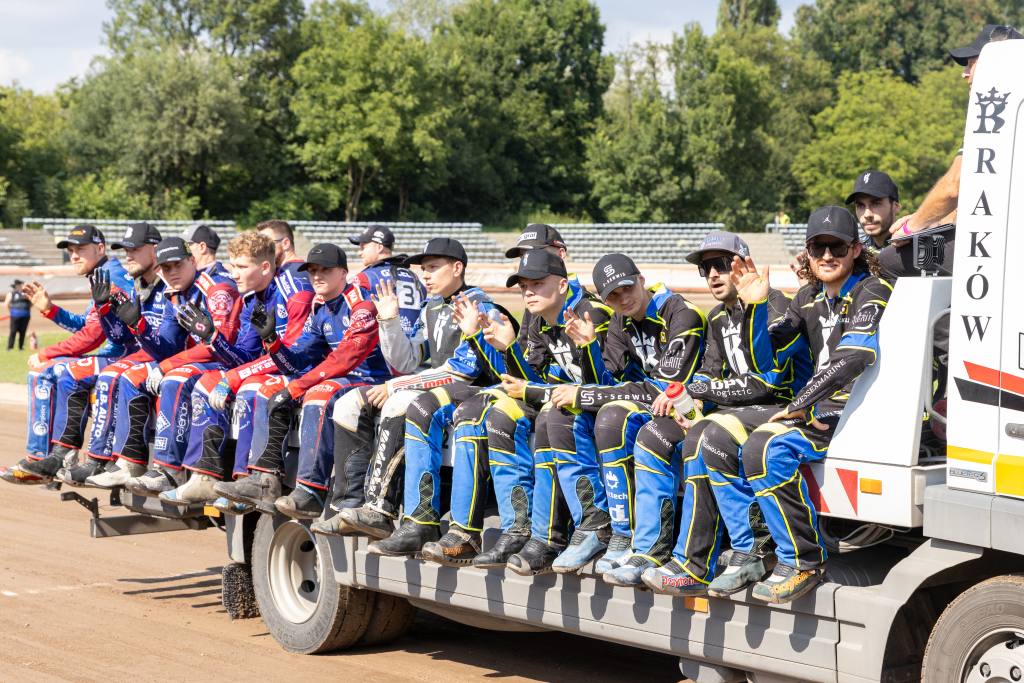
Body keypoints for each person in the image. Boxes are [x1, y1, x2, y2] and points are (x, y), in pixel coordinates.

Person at [615, 232, 812, 594]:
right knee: (655, 434)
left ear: (744, 265)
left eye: (722, 265)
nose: (714, 275)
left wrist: (702, 393)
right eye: (706, 269)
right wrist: (692, 399)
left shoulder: (776, 306)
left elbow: (765, 383)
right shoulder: (717, 316)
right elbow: (708, 372)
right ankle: (650, 550)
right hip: (736, 411)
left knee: (706, 432)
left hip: (782, 409)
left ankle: (706, 560)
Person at [714, 206, 891, 604]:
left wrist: (800, 403)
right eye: (818, 247)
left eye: (838, 247)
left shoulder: (873, 290)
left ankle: (803, 560)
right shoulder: (807, 297)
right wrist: (756, 308)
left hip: (858, 412)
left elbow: (854, 359)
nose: (827, 255)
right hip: (814, 407)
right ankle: (753, 551)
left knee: (764, 447)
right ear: (808, 253)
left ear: (856, 250)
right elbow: (769, 361)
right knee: (715, 437)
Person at [408, 224, 587, 568]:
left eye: (536, 257)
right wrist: (482, 339)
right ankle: (455, 530)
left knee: (492, 410)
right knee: (461, 408)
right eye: (522, 259)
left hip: (571, 406)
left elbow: (570, 382)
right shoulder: (536, 310)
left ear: (561, 258)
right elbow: (520, 374)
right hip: (542, 397)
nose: (527, 265)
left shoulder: (581, 307)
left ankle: (519, 530)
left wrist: (496, 348)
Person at [522, 253, 707, 583]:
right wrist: (590, 347)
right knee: (566, 415)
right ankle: (602, 529)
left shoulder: (682, 314)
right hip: (654, 409)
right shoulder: (621, 321)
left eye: (625, 289)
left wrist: (584, 394)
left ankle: (641, 543)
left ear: (640, 279)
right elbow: (610, 383)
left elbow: (661, 389)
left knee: (611, 415)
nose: (622, 299)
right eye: (611, 295)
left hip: (691, 410)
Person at [346, 240, 508, 556]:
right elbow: (406, 361)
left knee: (407, 402)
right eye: (424, 269)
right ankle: (376, 508)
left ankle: (412, 518)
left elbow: (464, 371)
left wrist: (398, 386)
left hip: (483, 392)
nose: (427, 276)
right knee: (365, 401)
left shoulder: (479, 305)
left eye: (434, 267)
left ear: (457, 268)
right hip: (445, 389)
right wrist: (389, 322)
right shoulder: (430, 306)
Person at [461, 252, 613, 575]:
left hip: (612, 407)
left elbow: (600, 389)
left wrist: (586, 350)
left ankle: (572, 530)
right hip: (571, 405)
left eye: (537, 284)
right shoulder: (543, 320)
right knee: (502, 413)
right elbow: (527, 385)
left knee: (549, 416)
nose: (528, 292)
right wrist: (507, 349)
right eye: (524, 286)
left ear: (561, 285)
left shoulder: (591, 313)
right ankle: (522, 530)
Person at [213, 243, 389, 517]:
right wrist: (272, 340)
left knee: (318, 391)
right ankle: (265, 480)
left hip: (375, 380)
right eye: (312, 270)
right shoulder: (320, 307)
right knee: (267, 385)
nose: (317, 275)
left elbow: (345, 359)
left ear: (343, 273)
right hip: (343, 379)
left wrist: (296, 387)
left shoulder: (362, 305)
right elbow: (297, 359)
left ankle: (311, 491)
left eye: (325, 270)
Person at [158, 231, 315, 506]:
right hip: (278, 368)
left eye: (242, 267)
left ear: (265, 267)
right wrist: (212, 338)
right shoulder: (251, 299)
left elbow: (293, 357)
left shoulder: (296, 293)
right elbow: (244, 359)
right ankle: (204, 477)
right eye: (232, 266)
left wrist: (235, 376)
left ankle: (247, 481)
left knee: (251, 389)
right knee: (206, 383)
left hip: (305, 370)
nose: (234, 274)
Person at [85, 236, 241, 490]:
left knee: (175, 380)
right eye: (166, 268)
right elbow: (166, 347)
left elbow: (220, 346)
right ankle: (130, 463)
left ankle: (170, 470)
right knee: (131, 376)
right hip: (198, 361)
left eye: (178, 264)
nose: (172, 272)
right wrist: (139, 326)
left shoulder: (217, 289)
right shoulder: (174, 294)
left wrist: (168, 366)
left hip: (227, 361)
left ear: (193, 260)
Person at [881, 24, 1022, 278]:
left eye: (972, 63)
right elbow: (976, 198)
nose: (964, 74)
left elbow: (954, 187)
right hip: (1005, 241)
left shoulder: (993, 113)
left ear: (997, 64)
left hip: (1001, 248)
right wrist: (931, 220)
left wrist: (912, 227)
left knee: (890, 259)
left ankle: (950, 320)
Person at [0, 225, 134, 485]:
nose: (74, 255)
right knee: (45, 371)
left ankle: (46, 457)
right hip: (114, 354)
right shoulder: (103, 274)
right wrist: (51, 310)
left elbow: (91, 337)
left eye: (80, 249)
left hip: (123, 357)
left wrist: (47, 352)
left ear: (100, 248)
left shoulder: (111, 278)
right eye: (71, 251)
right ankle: (50, 457)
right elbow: (87, 325)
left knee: (46, 370)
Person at [49, 223, 167, 486]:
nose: (129, 255)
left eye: (135, 249)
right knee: (63, 372)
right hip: (142, 354)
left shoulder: (152, 283)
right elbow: (117, 334)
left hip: (158, 358)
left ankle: (99, 461)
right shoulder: (135, 283)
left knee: (100, 375)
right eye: (126, 249)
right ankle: (61, 456)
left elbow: (103, 337)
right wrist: (103, 309)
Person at [846, 171, 899, 253]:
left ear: (895, 206)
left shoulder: (917, 247)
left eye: (876, 204)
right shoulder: (855, 252)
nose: (867, 214)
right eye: (860, 206)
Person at [5, 280, 31, 351]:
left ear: (19, 285)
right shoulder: (11, 293)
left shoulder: (26, 293)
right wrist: (11, 312)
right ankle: (9, 347)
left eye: (15, 286)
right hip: (14, 316)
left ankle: (21, 347)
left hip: (25, 315)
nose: (14, 288)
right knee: (13, 331)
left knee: (22, 332)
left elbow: (31, 303)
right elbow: (7, 303)